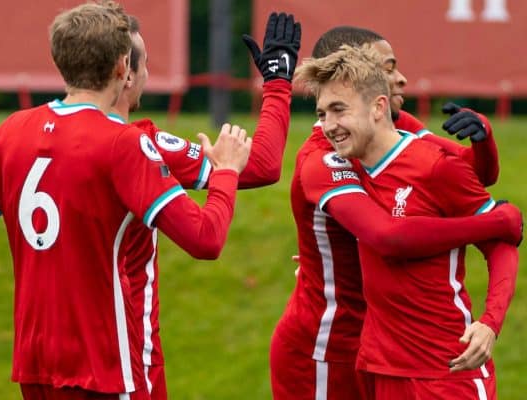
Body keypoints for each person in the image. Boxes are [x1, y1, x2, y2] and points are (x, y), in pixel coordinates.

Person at [0, 2, 253, 399]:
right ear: (122, 66)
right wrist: (226, 173)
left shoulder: (13, 130)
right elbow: (205, 239)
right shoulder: (123, 144)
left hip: (35, 365)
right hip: (103, 366)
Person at [294, 44, 519, 399]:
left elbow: (501, 247)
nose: (329, 126)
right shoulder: (340, 166)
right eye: (322, 113)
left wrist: (490, 323)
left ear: (379, 107)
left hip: (445, 370)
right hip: (378, 368)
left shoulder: (435, 165)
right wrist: (499, 221)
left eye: (339, 110)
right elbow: (387, 237)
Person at [106, 10, 301, 399]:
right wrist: (278, 84)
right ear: (125, 72)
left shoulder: (25, 136)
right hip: (124, 361)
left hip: (46, 359)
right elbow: (258, 169)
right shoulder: (142, 147)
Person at [311, 26, 499, 188]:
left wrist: (483, 133)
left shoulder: (397, 122)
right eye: (388, 69)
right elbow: (383, 230)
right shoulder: (321, 154)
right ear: (347, 75)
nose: (402, 79)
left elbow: (473, 174)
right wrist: (497, 221)